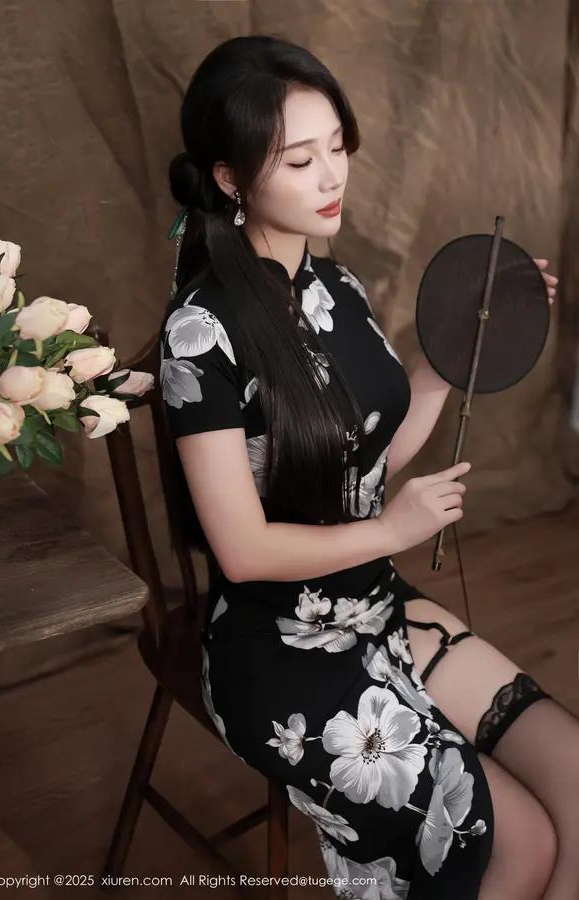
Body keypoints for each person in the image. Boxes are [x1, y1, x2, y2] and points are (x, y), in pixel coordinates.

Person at [158, 33, 577, 900]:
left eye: (338, 148)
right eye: (299, 160)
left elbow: (372, 450)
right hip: (280, 650)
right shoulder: (200, 334)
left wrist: (463, 337)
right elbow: (243, 550)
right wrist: (392, 528)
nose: (331, 177)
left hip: (374, 609)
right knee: (525, 844)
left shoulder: (334, 288)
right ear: (230, 178)